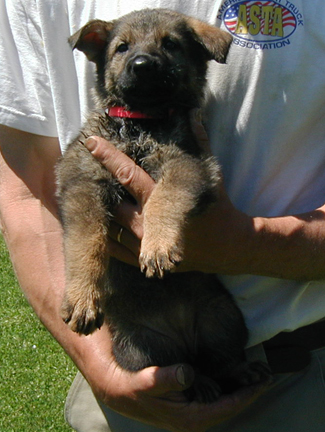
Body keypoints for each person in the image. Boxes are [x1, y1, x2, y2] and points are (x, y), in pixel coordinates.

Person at [1, 0, 325, 431]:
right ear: (98, 53)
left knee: (218, 320)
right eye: (123, 49)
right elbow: (43, 195)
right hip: (133, 347)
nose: (144, 58)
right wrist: (98, 355)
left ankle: (224, 371)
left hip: (286, 366)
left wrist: (238, 244)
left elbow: (184, 173)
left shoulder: (183, 126)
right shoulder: (97, 126)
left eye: (169, 46)